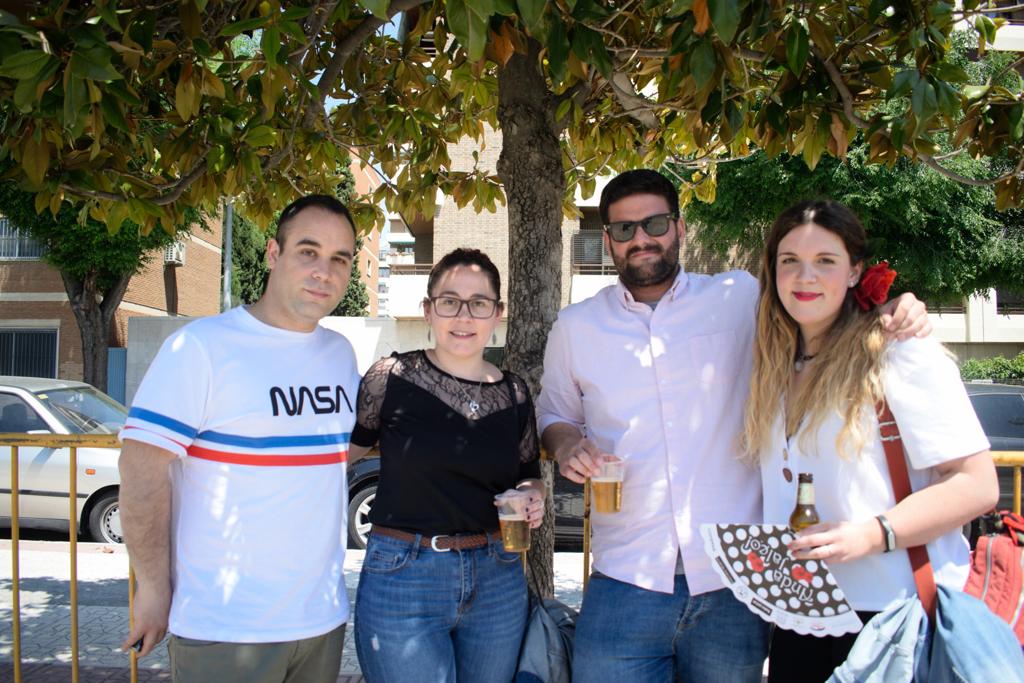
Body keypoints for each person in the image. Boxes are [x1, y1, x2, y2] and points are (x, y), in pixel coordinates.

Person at [536, 169, 931, 683]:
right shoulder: (576, 327)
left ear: (678, 227)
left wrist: (893, 306)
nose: (641, 239)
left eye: (654, 223)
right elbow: (555, 416)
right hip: (625, 575)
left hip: (738, 575)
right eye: (624, 229)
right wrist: (567, 444)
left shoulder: (740, 297)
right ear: (607, 238)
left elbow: (816, 304)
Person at [742, 199, 999, 682]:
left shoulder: (899, 352)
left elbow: (976, 484)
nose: (805, 277)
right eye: (789, 261)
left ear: (856, 270)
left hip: (894, 621)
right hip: (801, 618)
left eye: (826, 261)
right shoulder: (773, 366)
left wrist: (870, 534)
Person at [118, 194, 360, 683]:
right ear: (273, 253)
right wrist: (153, 587)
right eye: (308, 252)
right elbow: (141, 471)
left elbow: (333, 458)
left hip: (321, 620)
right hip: (224, 627)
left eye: (340, 259)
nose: (324, 271)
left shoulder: (340, 354)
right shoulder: (202, 347)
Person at [350, 248, 544, 683]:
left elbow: (528, 471)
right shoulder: (389, 378)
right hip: (404, 576)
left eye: (479, 303)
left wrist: (534, 495)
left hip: (498, 578)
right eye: (449, 301)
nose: (464, 316)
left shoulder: (515, 393)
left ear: (497, 313)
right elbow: (338, 455)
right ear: (428, 310)